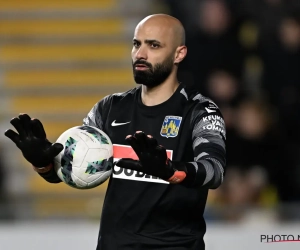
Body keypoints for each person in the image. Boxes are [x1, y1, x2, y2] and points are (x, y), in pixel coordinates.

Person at [4, 14, 226, 250]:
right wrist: (44, 164)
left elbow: (214, 170)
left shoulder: (201, 111)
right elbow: (72, 173)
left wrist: (172, 171)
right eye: (136, 44)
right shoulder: (108, 108)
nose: (140, 54)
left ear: (179, 54)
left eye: (153, 45)